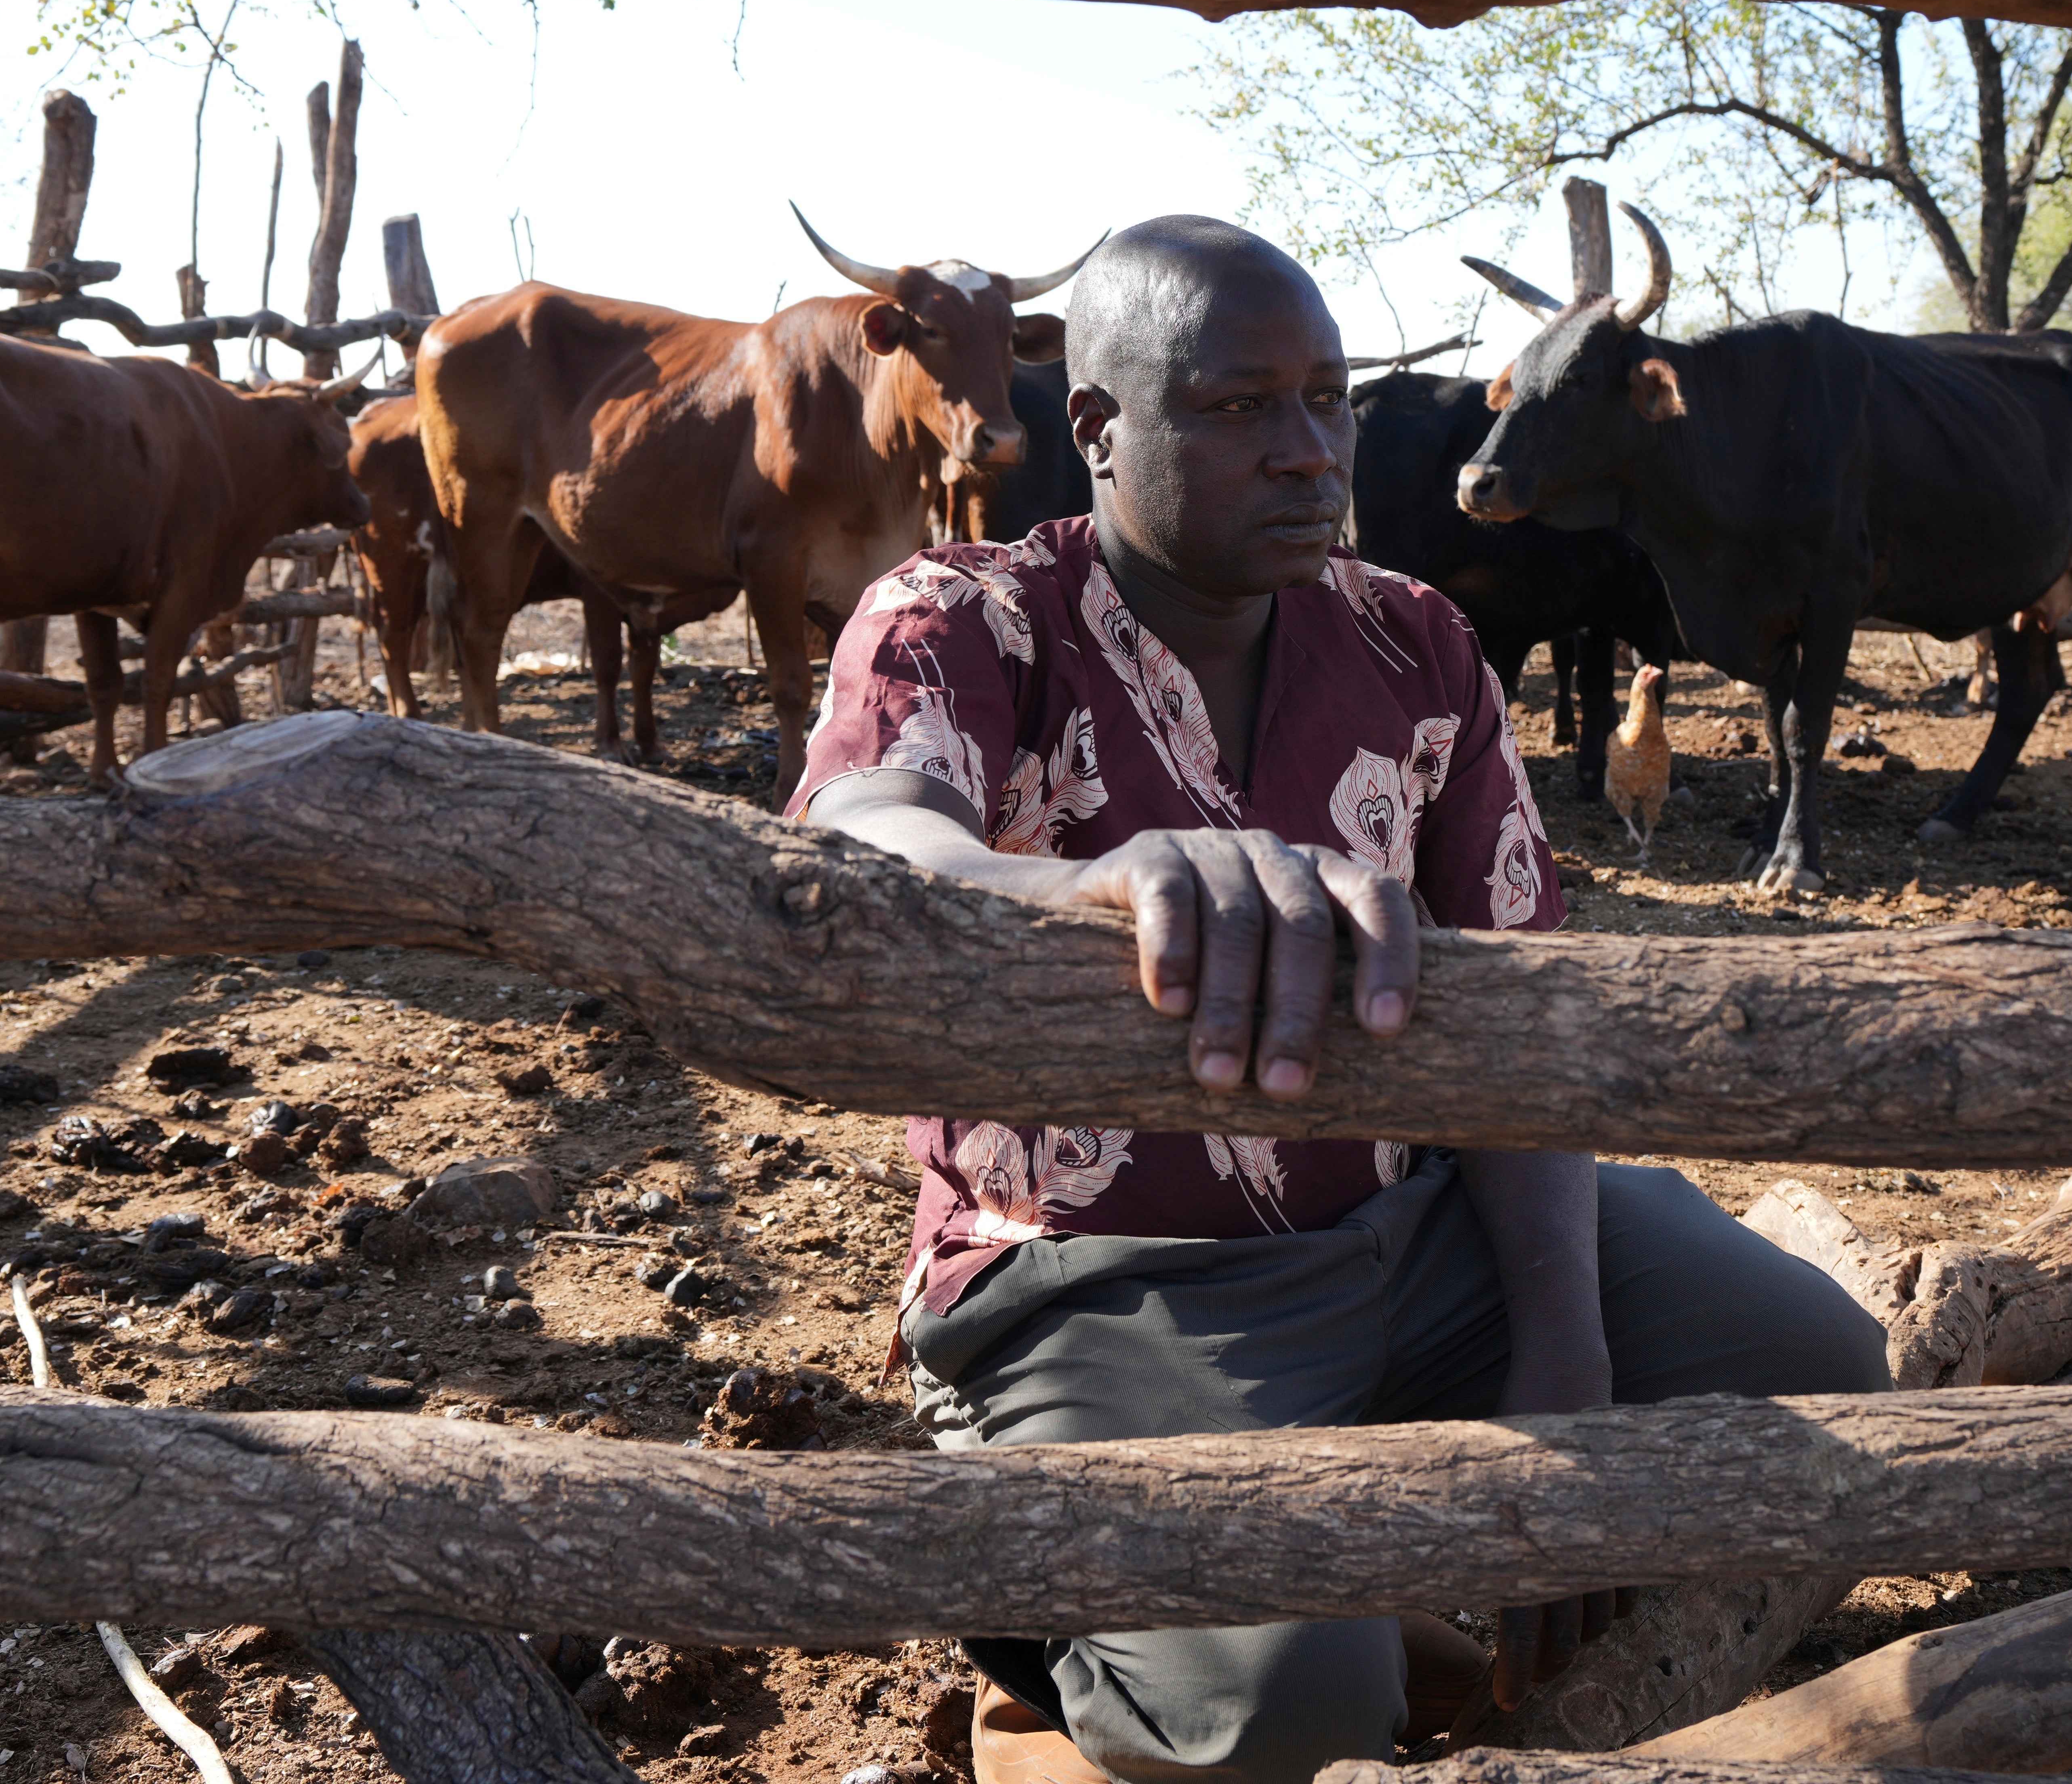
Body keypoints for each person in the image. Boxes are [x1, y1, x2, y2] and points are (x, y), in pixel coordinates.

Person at [799, 217, 1888, 1784]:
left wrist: (1563, 1348)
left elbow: (1523, 1014)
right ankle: (1046, 1684)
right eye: (1241, 408)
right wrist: (1091, 887)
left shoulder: (1414, 643)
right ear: (1096, 427)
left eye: (1327, 400)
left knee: (1817, 1368)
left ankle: (1354, 1601)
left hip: (1419, 1226)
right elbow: (869, 843)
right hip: (1110, 1284)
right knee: (1283, 1712)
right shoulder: (970, 622)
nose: (1310, 451)